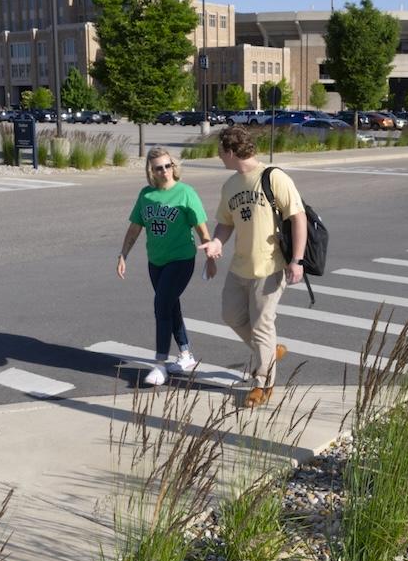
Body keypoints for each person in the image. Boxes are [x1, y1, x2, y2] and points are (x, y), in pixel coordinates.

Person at [199, 126, 306, 407]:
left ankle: (263, 384)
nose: (220, 157)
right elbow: (226, 222)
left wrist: (297, 260)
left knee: (261, 326)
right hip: (239, 267)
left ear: (231, 152)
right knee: (231, 316)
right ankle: (270, 352)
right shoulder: (231, 185)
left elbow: (298, 217)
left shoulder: (273, 177)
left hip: (270, 266)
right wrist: (217, 243)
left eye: (221, 152)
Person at [117, 147, 215, 386]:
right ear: (151, 171)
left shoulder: (185, 193)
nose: (164, 172)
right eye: (158, 168)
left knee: (161, 304)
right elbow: (134, 228)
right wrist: (123, 254)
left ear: (174, 166)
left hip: (181, 259)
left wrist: (210, 258)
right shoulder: (146, 195)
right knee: (170, 306)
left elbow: (201, 229)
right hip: (156, 261)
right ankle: (185, 355)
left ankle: (160, 364)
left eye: (167, 166)